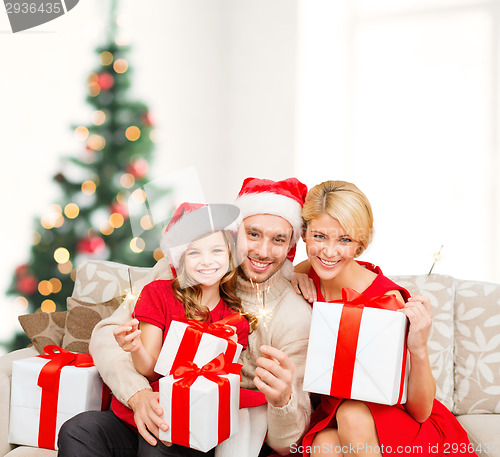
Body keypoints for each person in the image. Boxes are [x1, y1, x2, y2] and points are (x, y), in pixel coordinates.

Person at [58, 177, 313, 457]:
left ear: (290, 245)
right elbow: (106, 336)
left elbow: (289, 442)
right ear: (235, 235)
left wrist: (282, 400)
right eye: (253, 234)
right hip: (150, 410)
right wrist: (138, 394)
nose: (263, 251)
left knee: (162, 444)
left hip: (211, 433)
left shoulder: (294, 315)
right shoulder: (184, 270)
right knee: (80, 430)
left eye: (278, 240)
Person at [291, 180, 477, 457]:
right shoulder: (307, 272)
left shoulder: (386, 300)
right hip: (334, 416)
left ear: (360, 244)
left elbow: (421, 410)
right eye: (319, 237)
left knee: (352, 413)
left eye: (344, 240)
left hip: (397, 421)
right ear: (304, 235)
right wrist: (288, 277)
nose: (329, 252)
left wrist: (419, 346)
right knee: (323, 446)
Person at [114, 202, 250, 456]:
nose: (206, 261)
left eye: (216, 250)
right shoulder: (157, 294)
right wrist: (135, 348)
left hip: (189, 425)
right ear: (181, 258)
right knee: (79, 428)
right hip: (139, 415)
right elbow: (149, 369)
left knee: (158, 444)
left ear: (230, 256)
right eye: (194, 252)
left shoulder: (236, 322)